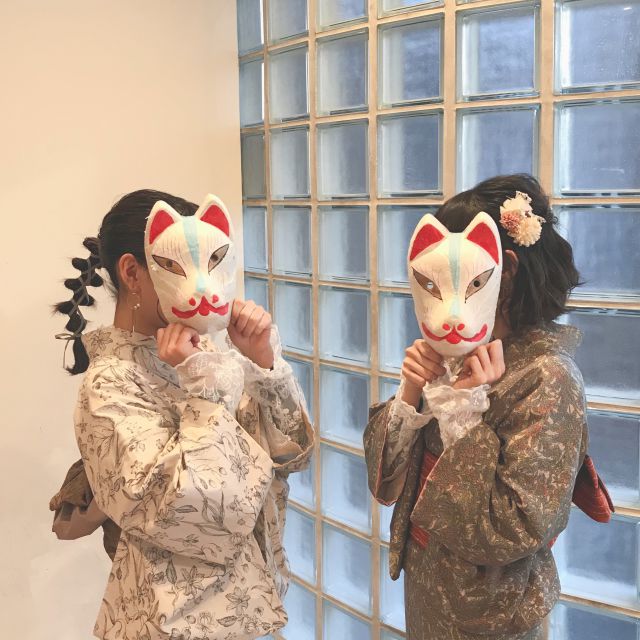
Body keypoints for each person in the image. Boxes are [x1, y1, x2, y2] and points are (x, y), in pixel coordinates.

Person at [49, 189, 314, 640]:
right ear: (132, 272)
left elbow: (291, 458)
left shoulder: (206, 355)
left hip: (253, 605)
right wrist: (207, 395)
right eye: (176, 265)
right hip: (176, 623)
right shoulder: (109, 386)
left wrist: (263, 364)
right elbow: (189, 513)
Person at [364, 174, 611, 640]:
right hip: (428, 581)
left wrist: (462, 414)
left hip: (492, 610)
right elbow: (386, 482)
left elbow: (515, 527)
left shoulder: (549, 376)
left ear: (507, 270)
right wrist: (411, 392)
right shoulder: (455, 351)